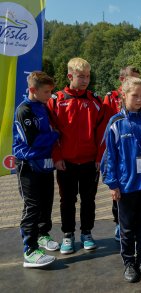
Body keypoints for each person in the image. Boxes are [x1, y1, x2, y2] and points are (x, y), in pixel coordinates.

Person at [101, 77, 141, 283]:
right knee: (127, 228)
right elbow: (110, 157)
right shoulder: (116, 123)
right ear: (123, 95)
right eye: (135, 95)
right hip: (125, 186)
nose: (140, 99)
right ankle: (128, 262)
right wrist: (113, 184)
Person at [47, 57, 106, 254]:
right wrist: (57, 157)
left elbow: (102, 133)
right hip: (66, 162)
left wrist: (99, 157)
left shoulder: (96, 101)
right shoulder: (56, 101)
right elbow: (51, 131)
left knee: (89, 199)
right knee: (67, 200)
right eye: (81, 76)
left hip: (90, 161)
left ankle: (87, 233)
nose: (85, 80)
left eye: (88, 76)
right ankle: (68, 235)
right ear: (69, 76)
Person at [13, 71, 59, 268]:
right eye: (47, 92)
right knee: (32, 206)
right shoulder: (24, 110)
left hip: (45, 163)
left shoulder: (43, 106)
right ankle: (30, 251)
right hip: (28, 164)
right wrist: (56, 135)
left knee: (46, 202)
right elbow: (33, 140)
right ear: (33, 90)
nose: (50, 96)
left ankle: (43, 235)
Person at [103, 65, 141, 242]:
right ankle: (119, 222)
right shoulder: (110, 98)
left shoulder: (140, 100)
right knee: (119, 193)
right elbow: (104, 126)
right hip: (119, 149)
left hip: (137, 155)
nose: (135, 83)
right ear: (122, 80)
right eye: (131, 79)